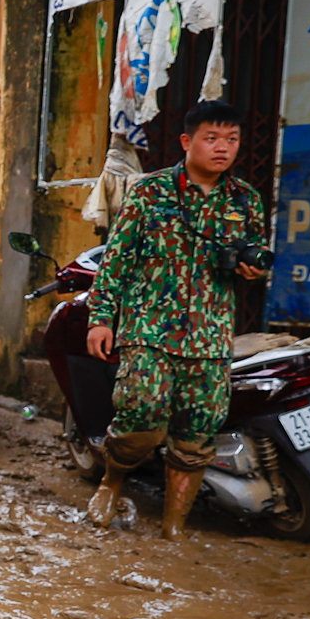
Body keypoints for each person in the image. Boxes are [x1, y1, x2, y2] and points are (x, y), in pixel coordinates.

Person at [85, 100, 268, 538]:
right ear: (188, 142)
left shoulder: (246, 201)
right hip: (149, 331)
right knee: (140, 422)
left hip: (210, 338)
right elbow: (117, 261)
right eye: (212, 138)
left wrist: (252, 269)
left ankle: (173, 531)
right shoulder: (149, 193)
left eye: (232, 139)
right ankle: (112, 480)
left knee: (194, 439)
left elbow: (255, 255)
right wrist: (101, 318)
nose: (223, 148)